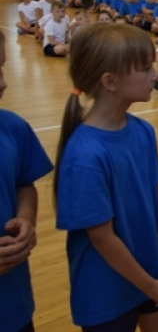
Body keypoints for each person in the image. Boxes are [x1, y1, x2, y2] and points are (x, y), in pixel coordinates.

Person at [54, 23, 158, 330]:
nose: (154, 75)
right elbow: (101, 237)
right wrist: (150, 285)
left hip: (151, 273)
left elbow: (155, 202)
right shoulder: (84, 155)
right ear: (110, 81)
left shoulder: (143, 131)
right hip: (106, 291)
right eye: (145, 69)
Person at [0, 29, 54, 332]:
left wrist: (26, 218)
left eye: (2, 69)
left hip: (13, 303)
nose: (3, 83)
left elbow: (23, 184)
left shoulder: (13, 127)